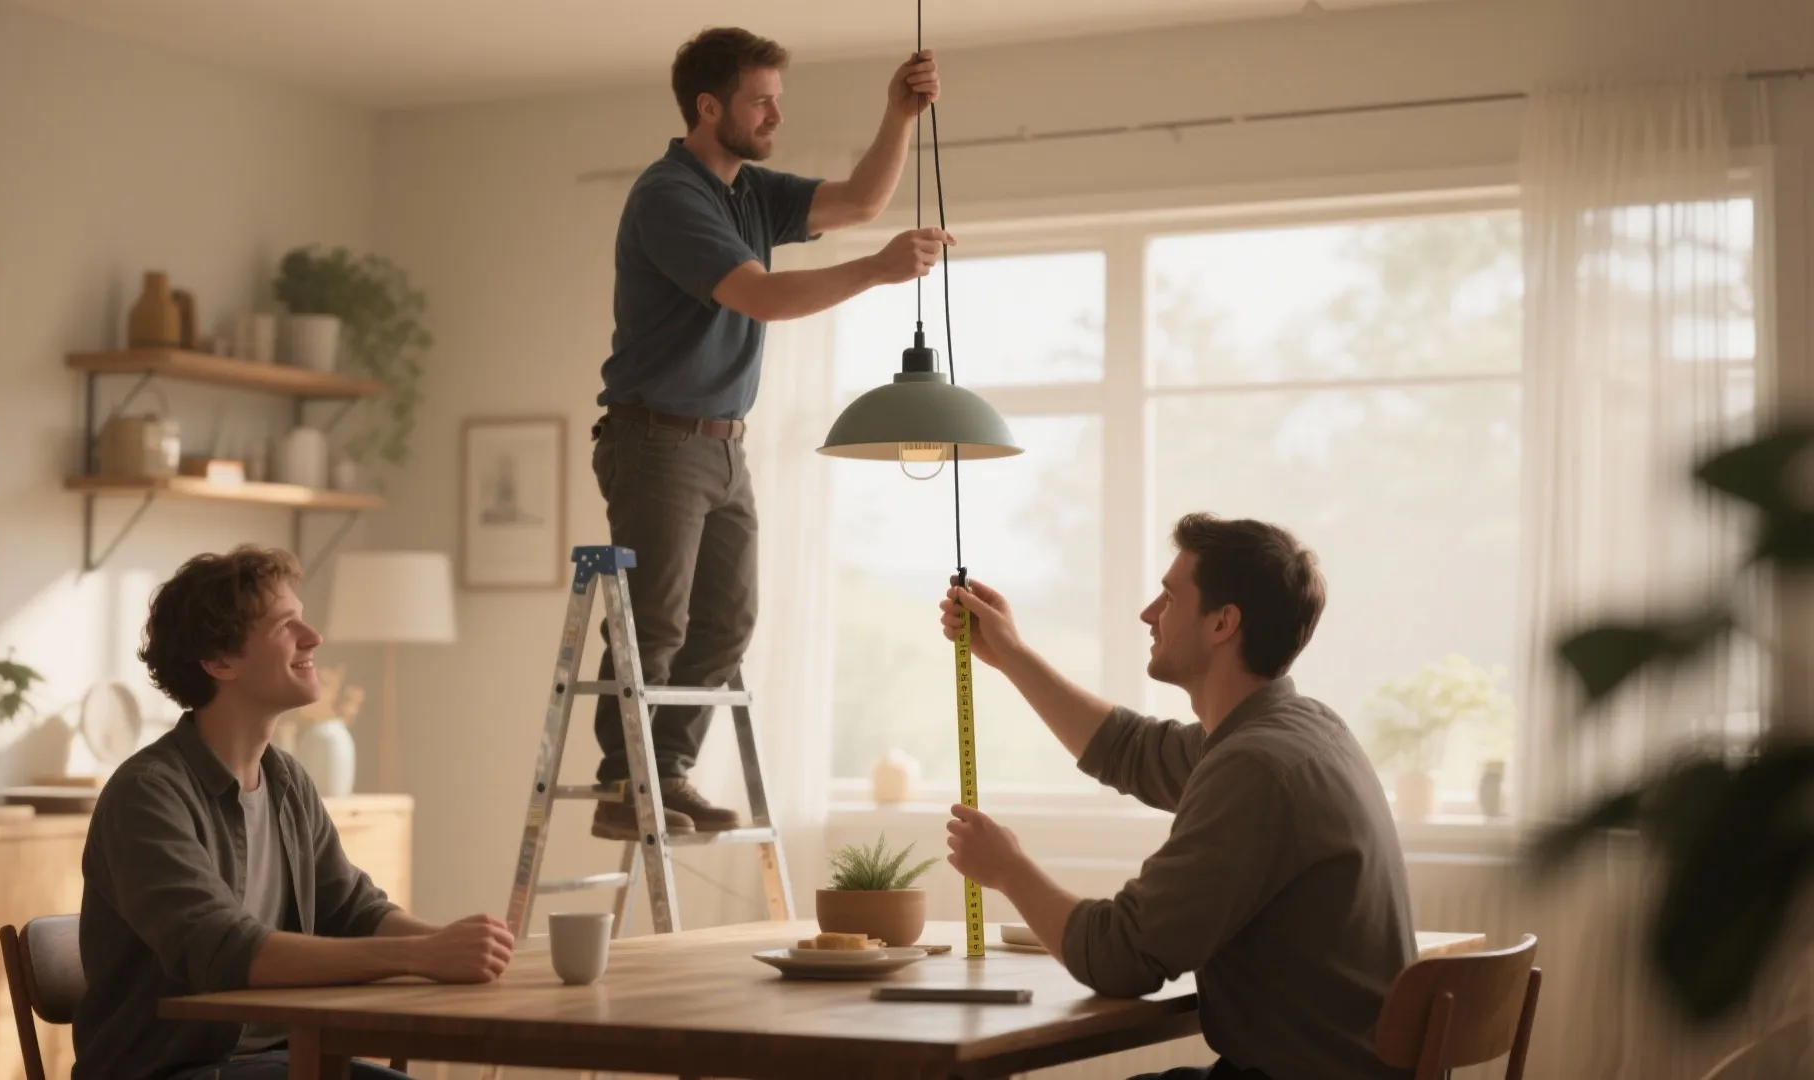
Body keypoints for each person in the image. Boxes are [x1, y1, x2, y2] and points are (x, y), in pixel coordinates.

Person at [588, 26, 956, 840]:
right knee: (657, 621)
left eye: (776, 102)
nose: (775, 116)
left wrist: (898, 115)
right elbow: (761, 297)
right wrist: (876, 269)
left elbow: (860, 202)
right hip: (656, 442)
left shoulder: (749, 192)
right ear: (708, 107)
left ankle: (665, 773)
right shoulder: (669, 196)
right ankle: (624, 785)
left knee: (727, 622)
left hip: (723, 444)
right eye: (761, 102)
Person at [939, 514, 1417, 1080]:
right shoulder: (1298, 729)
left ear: (1223, 623)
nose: (1149, 614)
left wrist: (1008, 868)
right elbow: (1130, 750)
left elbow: (1121, 957)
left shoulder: (1256, 768)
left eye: (1168, 597)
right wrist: (1011, 653)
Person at [73, 546, 518, 1080]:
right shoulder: (147, 795)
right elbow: (226, 952)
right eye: (286, 626)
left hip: (287, 1060)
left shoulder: (286, 780)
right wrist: (423, 956)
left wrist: (458, 949)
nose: (314, 637)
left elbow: (353, 911)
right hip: (173, 1072)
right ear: (219, 661)